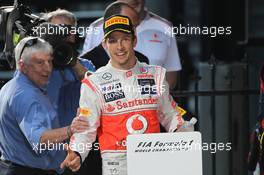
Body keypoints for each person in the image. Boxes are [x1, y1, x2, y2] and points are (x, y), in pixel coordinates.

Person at [61, 15, 193, 175]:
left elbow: (170, 115)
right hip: (116, 166)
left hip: (153, 163)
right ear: (104, 45)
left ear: (134, 41)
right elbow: (86, 127)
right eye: (113, 41)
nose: (120, 47)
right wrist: (76, 152)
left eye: (125, 39)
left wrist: (184, 132)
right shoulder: (93, 82)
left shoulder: (155, 75)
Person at [0, 37, 88, 175]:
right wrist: (71, 129)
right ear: (22, 65)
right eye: (40, 62)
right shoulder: (25, 94)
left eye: (49, 61)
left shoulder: (13, 86)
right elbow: (39, 140)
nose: (47, 68)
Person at [82, 0, 182, 90]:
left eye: (134, 27)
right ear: (104, 42)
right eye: (112, 40)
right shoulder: (87, 61)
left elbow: (164, 83)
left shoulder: (142, 59)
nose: (133, 31)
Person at [44, 9, 96, 127]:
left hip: (77, 137)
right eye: (56, 30)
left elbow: (97, 90)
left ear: (75, 34)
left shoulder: (86, 65)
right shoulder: (38, 65)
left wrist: (72, 61)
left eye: (68, 30)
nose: (63, 35)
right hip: (48, 136)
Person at [80, 1, 149, 70]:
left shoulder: (142, 60)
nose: (134, 31)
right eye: (127, 25)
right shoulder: (85, 64)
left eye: (135, 26)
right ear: (110, 22)